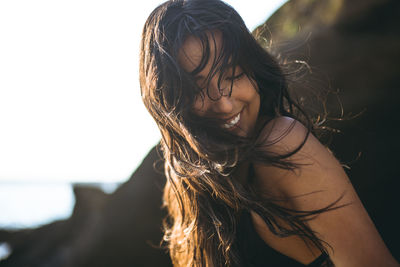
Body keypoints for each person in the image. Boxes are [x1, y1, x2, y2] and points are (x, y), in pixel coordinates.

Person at [139, 0, 399, 266]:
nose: (225, 104)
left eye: (232, 75)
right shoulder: (186, 190)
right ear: (170, 102)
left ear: (254, 71)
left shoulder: (282, 144)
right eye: (197, 90)